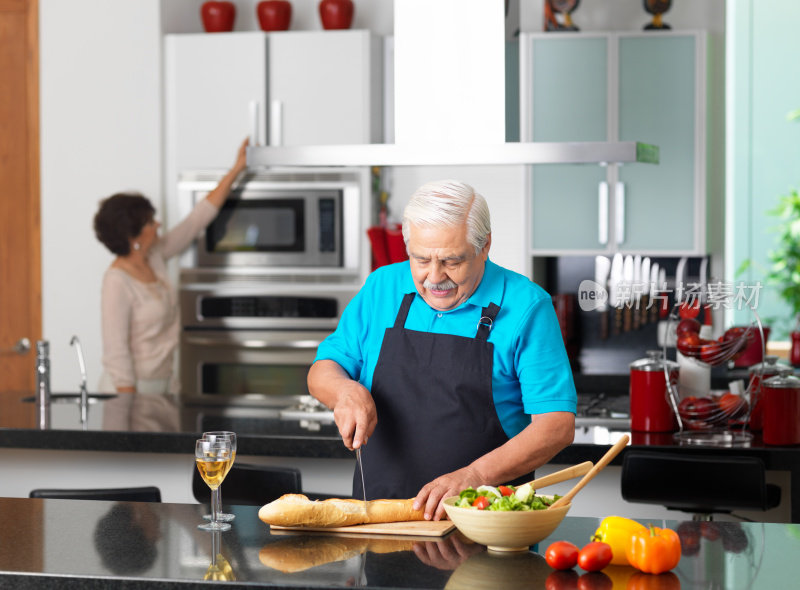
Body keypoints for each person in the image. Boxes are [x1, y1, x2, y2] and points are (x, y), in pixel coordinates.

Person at [307, 179, 577, 521]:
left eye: (452, 261)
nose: (434, 277)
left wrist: (475, 477)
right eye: (420, 259)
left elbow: (556, 425)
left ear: (485, 246)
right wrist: (345, 390)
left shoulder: (527, 305)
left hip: (484, 524)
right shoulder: (382, 287)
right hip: (379, 522)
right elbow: (323, 369)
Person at [93, 138, 248, 395]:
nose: (157, 225)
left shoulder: (154, 255)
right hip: (129, 392)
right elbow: (116, 353)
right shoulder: (116, 281)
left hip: (164, 387)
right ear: (133, 236)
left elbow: (197, 220)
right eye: (149, 222)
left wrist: (236, 169)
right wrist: (128, 410)